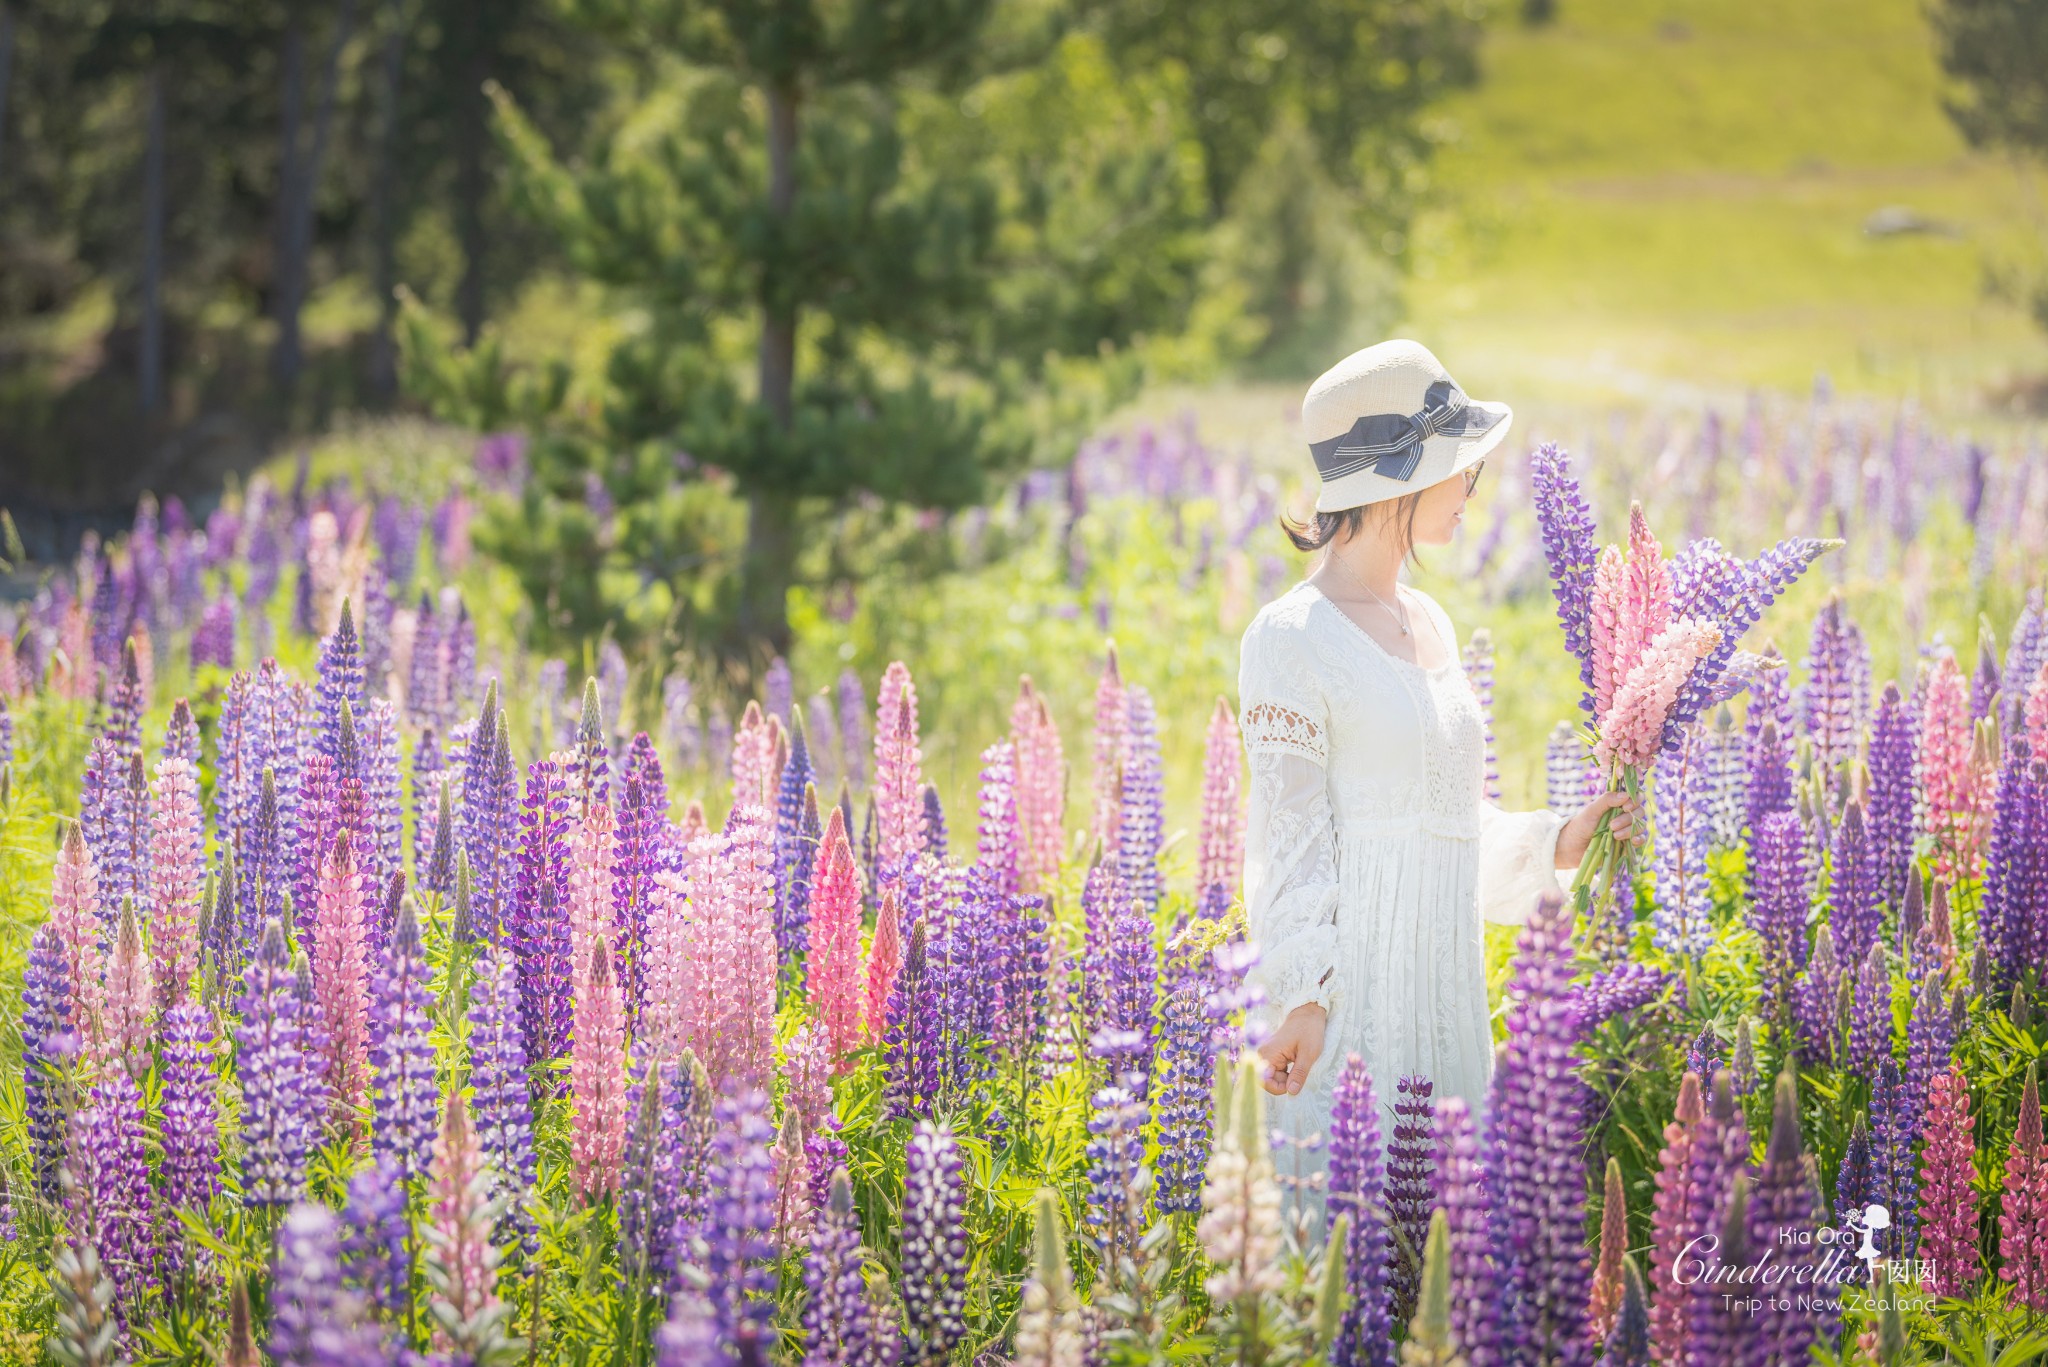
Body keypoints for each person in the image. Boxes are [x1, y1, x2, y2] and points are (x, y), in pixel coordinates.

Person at [1237, 338, 1645, 1191]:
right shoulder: (1289, 637)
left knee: (1453, 1293)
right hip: (1352, 1021)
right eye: (1461, 467)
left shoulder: (1430, 623)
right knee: (1354, 1287)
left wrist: (1557, 842)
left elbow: (1449, 824)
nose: (1472, 489)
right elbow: (1290, 844)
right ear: (1398, 475)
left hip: (1449, 1012)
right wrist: (1306, 1001)